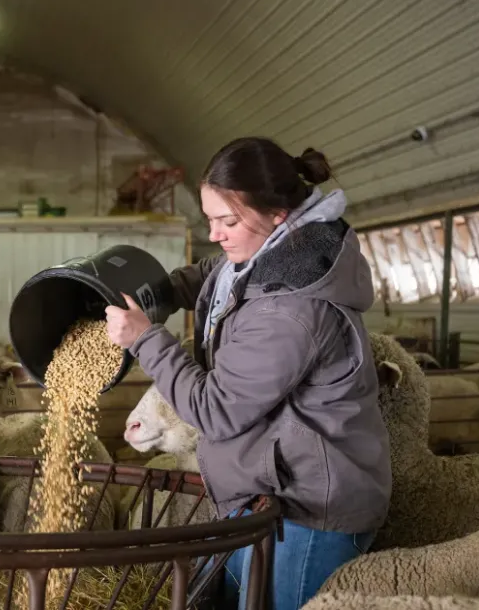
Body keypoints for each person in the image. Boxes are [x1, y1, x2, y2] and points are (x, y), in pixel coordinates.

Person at [104, 137, 391, 610]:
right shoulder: (271, 253)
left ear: (278, 213)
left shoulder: (291, 308)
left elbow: (215, 411)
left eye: (227, 221)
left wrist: (144, 338)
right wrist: (163, 291)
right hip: (267, 488)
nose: (215, 233)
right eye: (209, 218)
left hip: (310, 510)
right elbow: (215, 272)